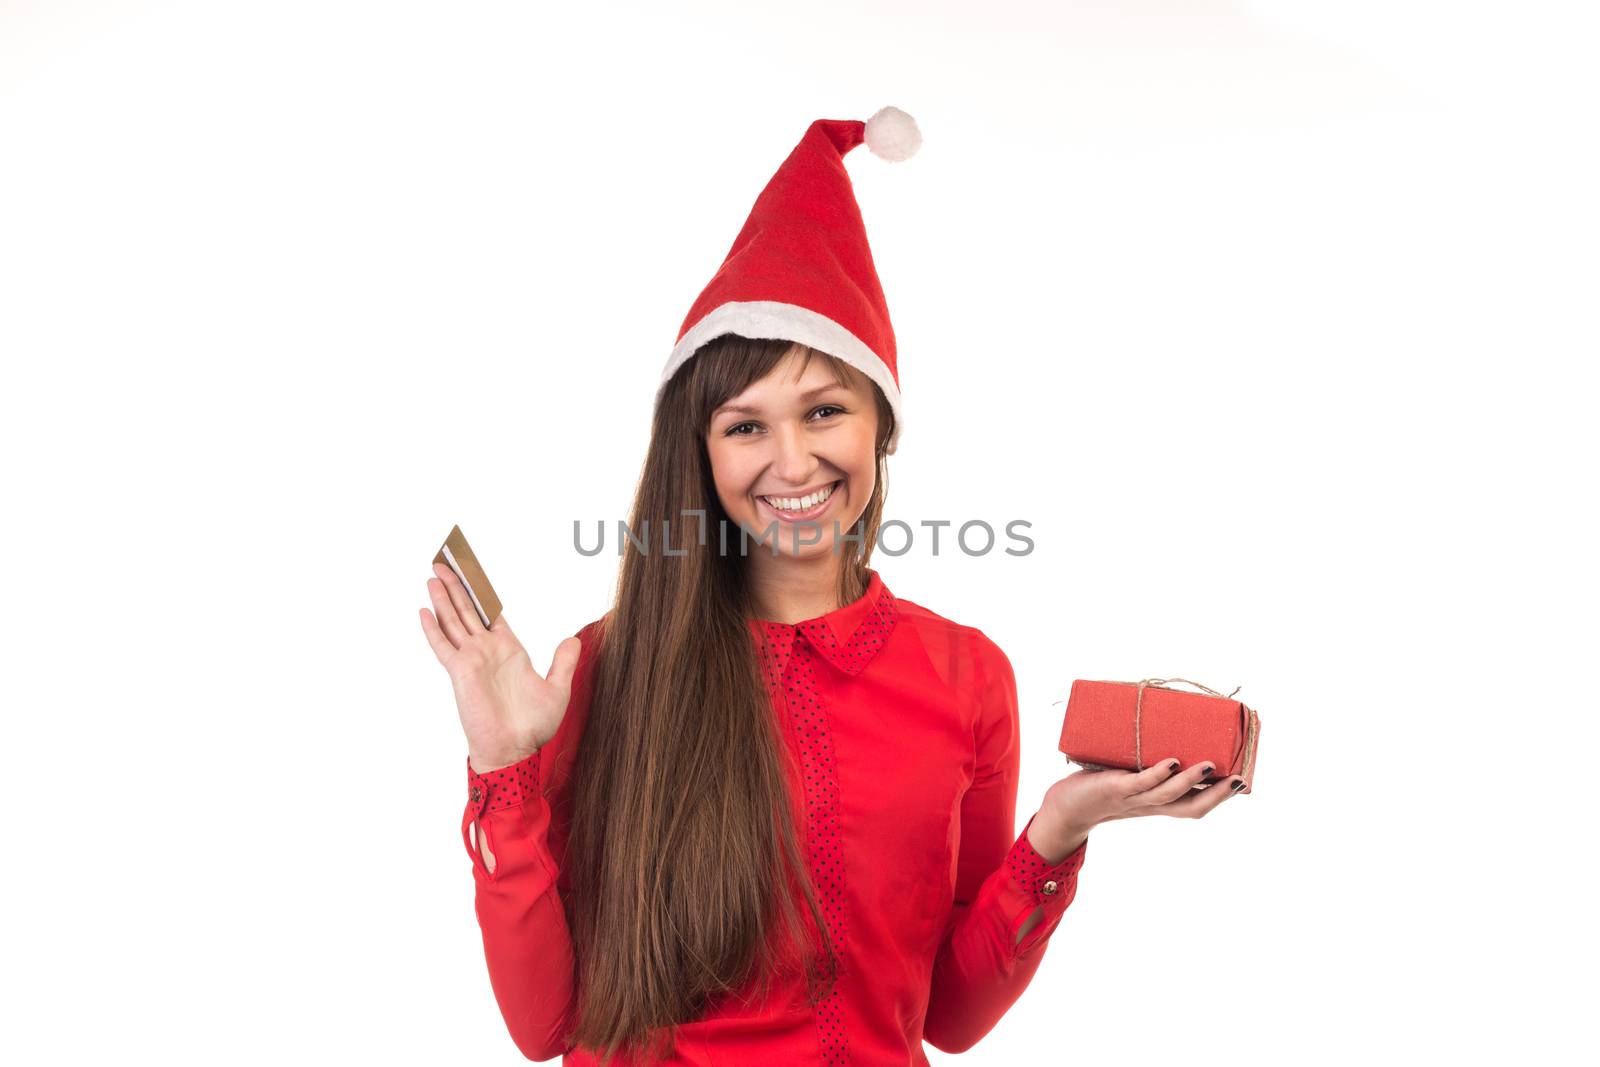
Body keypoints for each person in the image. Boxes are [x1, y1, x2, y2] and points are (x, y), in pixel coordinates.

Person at [418, 107, 1245, 1066]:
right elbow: (543, 1026)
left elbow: (950, 1017)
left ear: (878, 424)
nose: (792, 459)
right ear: (701, 450)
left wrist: (1059, 830)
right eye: (745, 426)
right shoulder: (604, 667)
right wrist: (503, 774)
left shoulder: (967, 676)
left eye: (823, 410)